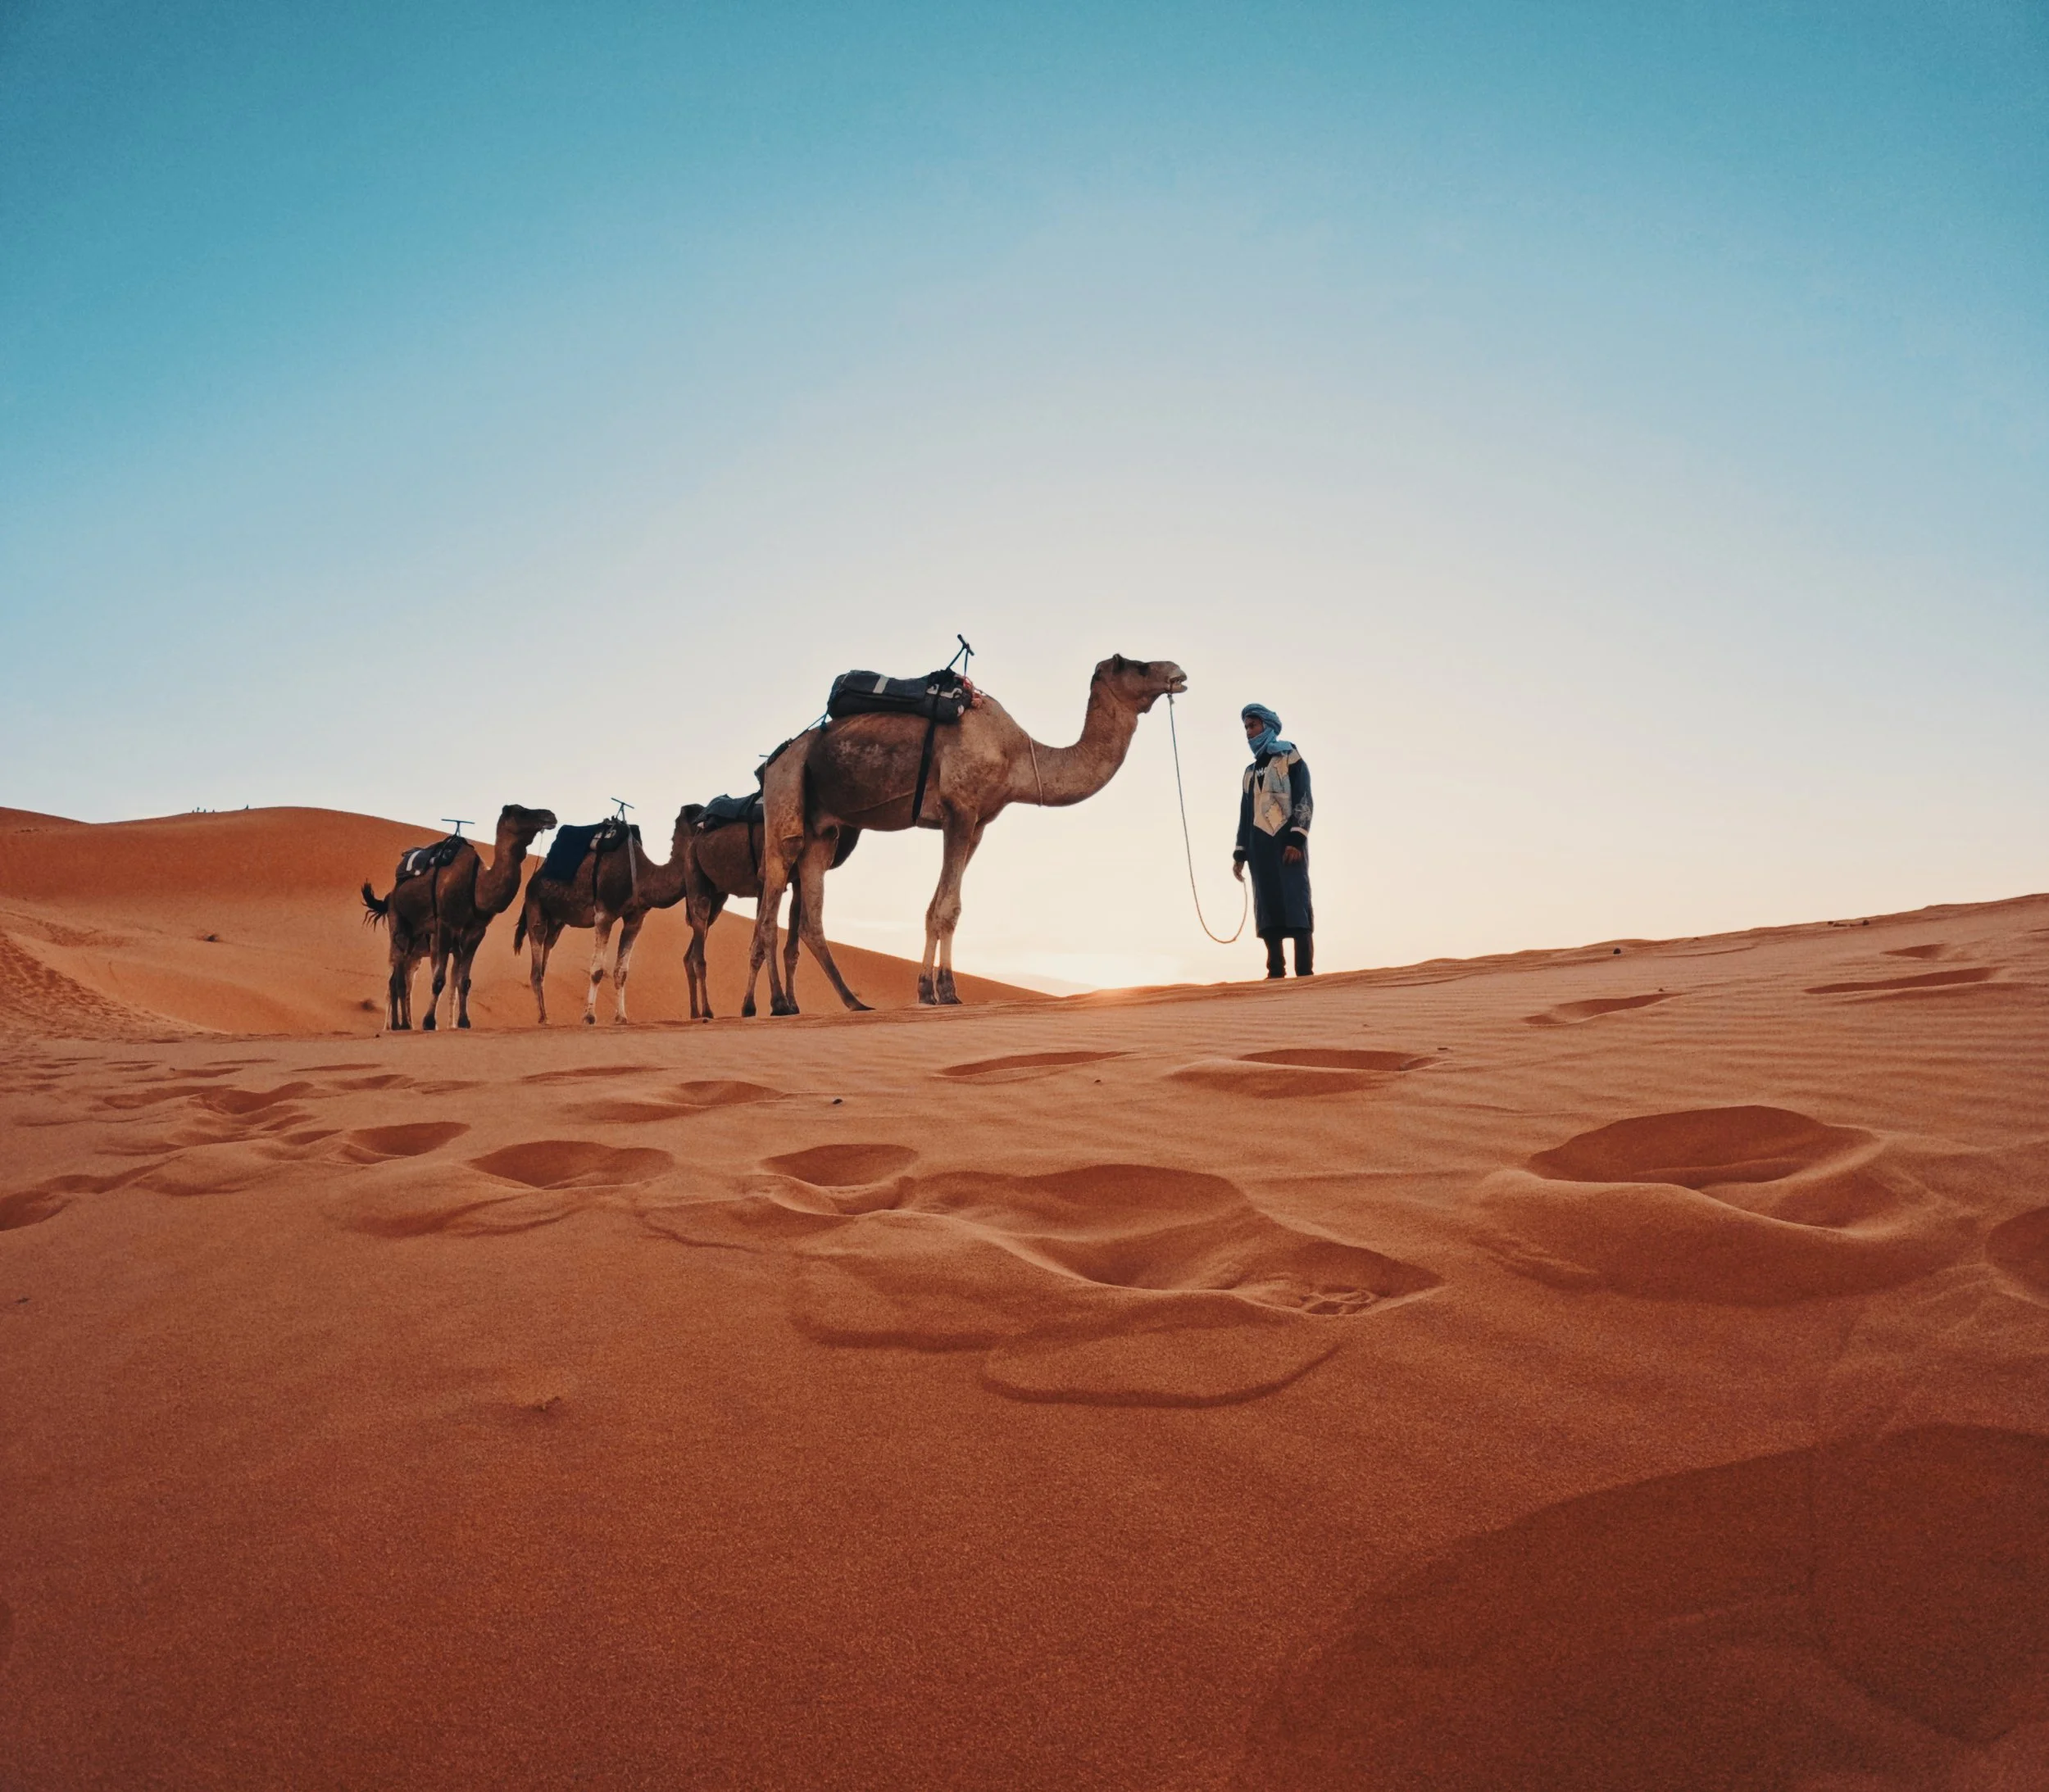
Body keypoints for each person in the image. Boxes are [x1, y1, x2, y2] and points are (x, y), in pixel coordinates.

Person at [1233, 702, 1313, 978]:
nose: (1248, 732)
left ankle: (1305, 973)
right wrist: (1240, 854)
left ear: (1267, 726)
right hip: (1259, 847)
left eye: (1253, 726)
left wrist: (1297, 840)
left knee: (1296, 904)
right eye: (1245, 727)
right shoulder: (1249, 772)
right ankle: (1275, 972)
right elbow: (1245, 814)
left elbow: (1304, 798)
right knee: (1267, 907)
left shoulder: (1290, 756)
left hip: (1287, 844)